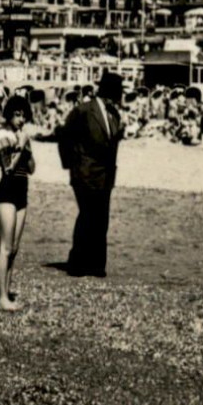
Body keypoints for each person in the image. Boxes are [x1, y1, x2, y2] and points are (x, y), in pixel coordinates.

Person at [58, 71, 124, 277]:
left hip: (105, 175)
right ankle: (77, 263)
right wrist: (72, 166)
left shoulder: (115, 115)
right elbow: (64, 136)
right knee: (87, 216)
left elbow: (110, 143)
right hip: (85, 173)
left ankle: (97, 265)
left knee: (101, 218)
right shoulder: (84, 111)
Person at [0, 96, 36, 311]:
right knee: (5, 247)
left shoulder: (20, 135)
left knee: (14, 248)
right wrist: (21, 144)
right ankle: (1, 298)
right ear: (9, 114)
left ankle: (6, 292)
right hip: (7, 191)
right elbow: (7, 167)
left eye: (24, 115)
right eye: (17, 114)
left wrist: (28, 148)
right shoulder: (2, 134)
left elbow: (32, 168)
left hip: (22, 190)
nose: (21, 119)